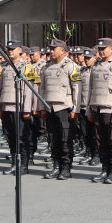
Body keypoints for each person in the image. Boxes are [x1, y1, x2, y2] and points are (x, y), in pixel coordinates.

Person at [86, 38, 112, 183]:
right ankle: (104, 169)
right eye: (100, 48)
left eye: (104, 48)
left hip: (110, 110)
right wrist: (88, 111)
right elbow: (90, 89)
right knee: (100, 140)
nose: (101, 51)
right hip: (96, 108)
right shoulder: (96, 65)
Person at [41, 39, 82, 180]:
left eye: (54, 48)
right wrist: (42, 107)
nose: (51, 51)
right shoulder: (46, 67)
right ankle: (56, 165)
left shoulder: (70, 66)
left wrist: (75, 109)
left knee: (65, 140)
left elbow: (77, 88)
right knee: (53, 139)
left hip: (64, 107)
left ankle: (66, 168)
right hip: (50, 107)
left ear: (63, 51)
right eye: (50, 48)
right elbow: (42, 89)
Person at [0, 40, 35, 176]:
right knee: (10, 138)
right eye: (9, 49)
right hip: (6, 106)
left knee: (21, 138)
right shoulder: (5, 66)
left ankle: (23, 165)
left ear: (20, 50)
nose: (10, 51)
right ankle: (14, 163)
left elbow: (29, 90)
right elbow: (0, 88)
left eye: (13, 49)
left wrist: (27, 109)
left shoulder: (26, 67)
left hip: (19, 108)